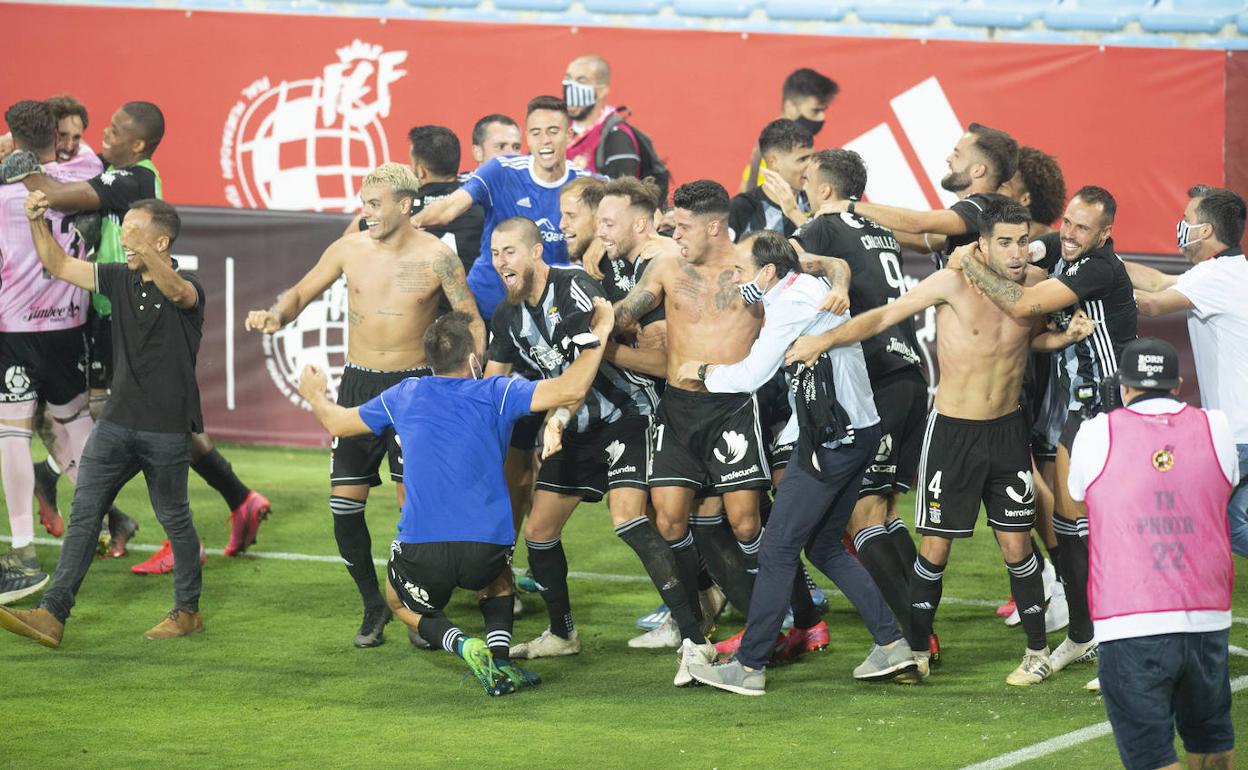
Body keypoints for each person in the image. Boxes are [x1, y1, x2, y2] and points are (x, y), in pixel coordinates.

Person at [787, 198, 1096, 684]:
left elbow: (1021, 341)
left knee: (1018, 546)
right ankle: (915, 650)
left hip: (1007, 432)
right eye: (1004, 243)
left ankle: (1037, 652)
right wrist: (823, 340)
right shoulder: (951, 282)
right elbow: (882, 318)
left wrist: (1061, 338)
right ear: (982, 244)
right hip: (951, 433)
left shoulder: (1038, 287)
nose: (1016, 253)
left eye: (1021, 242)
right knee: (935, 550)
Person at [295, 301, 616, 695]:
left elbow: (337, 421)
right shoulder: (497, 392)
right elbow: (572, 387)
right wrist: (601, 330)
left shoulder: (405, 394)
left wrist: (314, 394)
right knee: (499, 582)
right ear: (472, 359)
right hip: (487, 550)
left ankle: (461, 643)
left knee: (398, 603)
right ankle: (499, 661)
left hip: (422, 553)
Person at [2, 101, 270, 565]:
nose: (102, 136)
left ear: (138, 143)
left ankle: (172, 535)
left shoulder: (136, 178)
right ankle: (236, 497)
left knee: (144, 420)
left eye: (114, 130)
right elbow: (76, 160)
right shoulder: (112, 168)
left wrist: (22, 165)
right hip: (108, 306)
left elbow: (54, 190)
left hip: (135, 311)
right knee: (137, 418)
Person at [245, 163, 483, 648]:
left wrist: (469, 380)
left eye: (374, 204)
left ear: (405, 204)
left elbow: (470, 319)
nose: (365, 212)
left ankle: (419, 605)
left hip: (416, 390)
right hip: (358, 385)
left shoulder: (438, 257)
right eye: (363, 202)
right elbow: (302, 293)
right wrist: (275, 316)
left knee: (412, 508)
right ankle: (373, 604)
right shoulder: (348, 249)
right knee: (344, 505)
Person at [677, 231, 914, 696]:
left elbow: (749, 376)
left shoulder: (787, 307)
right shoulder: (806, 287)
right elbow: (830, 269)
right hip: (857, 432)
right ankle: (892, 643)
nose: (738, 279)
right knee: (824, 547)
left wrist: (701, 371)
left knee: (778, 548)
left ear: (768, 272)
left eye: (744, 271)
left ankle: (749, 666)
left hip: (832, 442)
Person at [483, 218, 702, 676]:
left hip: (624, 415)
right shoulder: (506, 316)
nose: (501, 261)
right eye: (495, 252)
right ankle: (562, 634)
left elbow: (587, 361)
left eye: (510, 251)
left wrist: (557, 417)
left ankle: (695, 640)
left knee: (629, 518)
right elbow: (491, 385)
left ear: (536, 252)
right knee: (539, 533)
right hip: (574, 427)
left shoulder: (573, 288)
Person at [0, 194, 207, 646]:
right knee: (85, 515)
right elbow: (56, 264)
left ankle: (187, 612)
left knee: (174, 517)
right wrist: (36, 221)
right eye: (124, 231)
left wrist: (146, 251)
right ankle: (53, 614)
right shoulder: (117, 277)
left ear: (162, 239)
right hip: (115, 423)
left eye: (134, 233)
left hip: (168, 427)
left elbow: (176, 291)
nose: (124, 240)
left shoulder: (188, 287)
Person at [957, 186, 1137, 679]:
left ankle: (1123, 644)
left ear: (1105, 235)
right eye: (1069, 222)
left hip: (1112, 410)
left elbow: (1023, 304)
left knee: (1107, 533)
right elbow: (1037, 253)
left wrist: (968, 263)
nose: (1071, 234)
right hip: (1078, 412)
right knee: (1067, 528)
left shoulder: (1100, 268)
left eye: (1084, 228)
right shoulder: (1064, 249)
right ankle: (1083, 635)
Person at [612, 180, 776, 682]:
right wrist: (614, 323)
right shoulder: (666, 267)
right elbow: (625, 311)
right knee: (668, 520)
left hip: (733, 408)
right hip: (679, 409)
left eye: (682, 226)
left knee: (746, 523)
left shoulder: (755, 262)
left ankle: (774, 619)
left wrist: (835, 285)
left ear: (713, 225)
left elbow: (826, 270)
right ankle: (694, 636)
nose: (671, 231)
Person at [1067, 337, 1237, 770]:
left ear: (1124, 387)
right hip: (1206, 617)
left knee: (1151, 759)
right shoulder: (1215, 426)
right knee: (1213, 744)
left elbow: (1074, 495)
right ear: (1177, 385)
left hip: (1130, 621)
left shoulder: (1096, 433)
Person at [792, 149, 928, 646]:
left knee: (863, 514)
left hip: (875, 381)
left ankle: (909, 640)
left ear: (825, 190)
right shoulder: (878, 230)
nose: (804, 189)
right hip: (910, 375)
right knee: (885, 513)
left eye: (807, 182)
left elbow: (778, 259)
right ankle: (923, 630)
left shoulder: (823, 228)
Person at [0, 101, 94, 587]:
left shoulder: (1, 192)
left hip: (16, 328)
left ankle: (22, 555)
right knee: (75, 425)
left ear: (12, 136)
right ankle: (100, 520)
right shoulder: (85, 172)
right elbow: (83, 154)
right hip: (69, 324)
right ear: (58, 136)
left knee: (12, 434)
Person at [1128, 185, 1248, 559]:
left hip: (1236, 432)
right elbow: (1157, 281)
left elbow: (1150, 302)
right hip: (1240, 430)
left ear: (1207, 231)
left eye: (1188, 220)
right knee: (1233, 524)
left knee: (1182, 514)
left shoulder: (1213, 276)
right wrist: (1099, 260)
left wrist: (1086, 283)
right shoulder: (1229, 271)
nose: (1181, 226)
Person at [413, 96, 591, 321]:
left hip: (549, 316)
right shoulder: (501, 169)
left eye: (553, 131)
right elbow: (449, 207)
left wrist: (597, 247)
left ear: (569, 136)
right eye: (536, 132)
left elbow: (628, 208)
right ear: (528, 137)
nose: (544, 140)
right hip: (486, 311)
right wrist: (412, 223)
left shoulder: (587, 185)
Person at [817, 123, 1018, 266]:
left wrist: (849, 206)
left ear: (978, 170)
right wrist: (857, 224)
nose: (948, 159)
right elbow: (924, 241)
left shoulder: (985, 206)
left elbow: (919, 223)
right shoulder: (982, 211)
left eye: (957, 155)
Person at [347, 126, 484, 275]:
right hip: (468, 294)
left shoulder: (402, 207)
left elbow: (348, 239)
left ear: (421, 171)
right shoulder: (479, 203)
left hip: (411, 294)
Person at [740, 68, 838, 193]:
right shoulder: (774, 144)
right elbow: (749, 194)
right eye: (815, 111)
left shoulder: (796, 141)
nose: (821, 117)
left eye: (823, 110)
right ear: (789, 107)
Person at [729, 120, 813, 240]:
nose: (811, 165)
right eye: (802, 159)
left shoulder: (817, 203)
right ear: (774, 162)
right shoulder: (741, 208)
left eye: (813, 158)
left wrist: (795, 213)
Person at [562, 55, 640, 179]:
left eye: (581, 81)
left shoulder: (617, 137)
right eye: (568, 78)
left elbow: (623, 194)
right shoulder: (557, 127)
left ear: (602, 91)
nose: (571, 87)